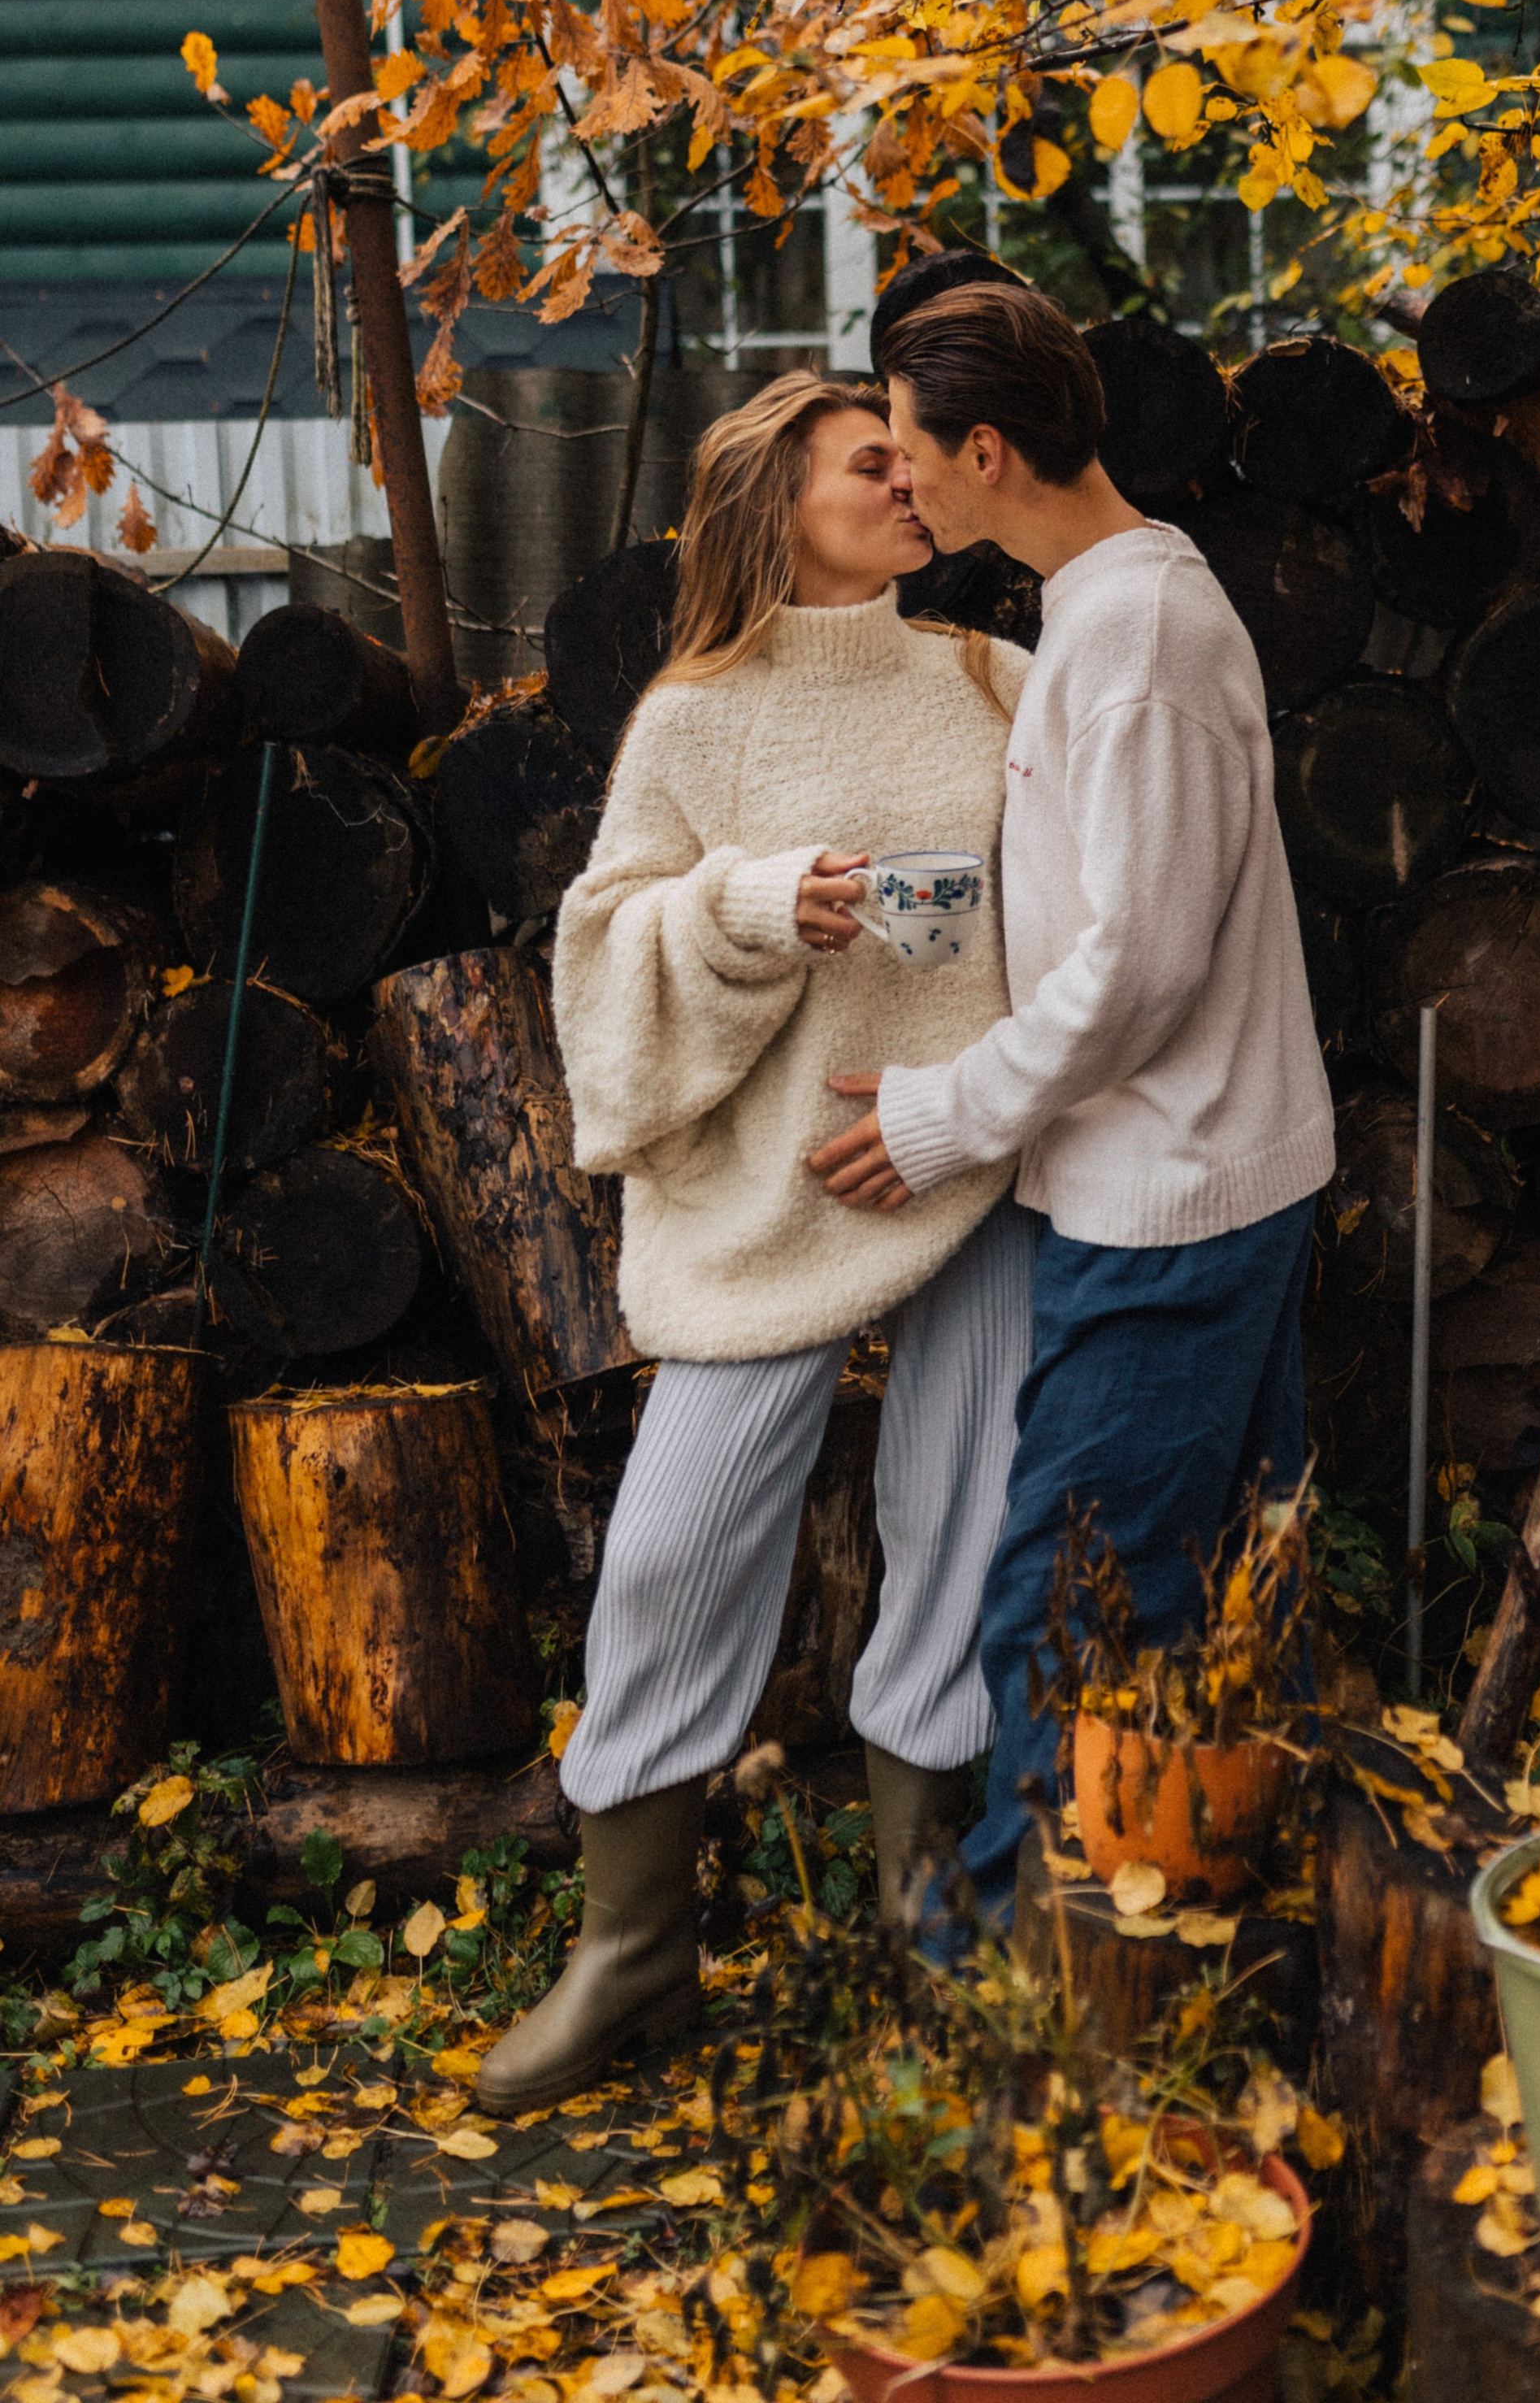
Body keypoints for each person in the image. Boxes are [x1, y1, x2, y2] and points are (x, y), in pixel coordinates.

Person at [479, 370, 1036, 2112]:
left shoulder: (999, 683)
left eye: (909, 457)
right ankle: (633, 1955)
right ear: (775, 510)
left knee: (958, 1528)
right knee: (670, 1551)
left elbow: (1083, 924)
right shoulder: (696, 715)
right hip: (777, 1191)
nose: (908, 479)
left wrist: (975, 1104)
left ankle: (925, 1908)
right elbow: (605, 941)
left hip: (972, 1163)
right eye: (868, 464)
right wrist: (739, 903)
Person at [807, 280, 1334, 1924]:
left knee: (1065, 1607)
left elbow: (1138, 968)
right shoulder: (1094, 622)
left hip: (1173, 1205)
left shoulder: (1141, 646)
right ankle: (1182, 1929)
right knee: (1193, 1609)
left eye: (905, 450)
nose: (898, 482)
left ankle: (1010, 1972)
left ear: (986, 449)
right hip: (1170, 1183)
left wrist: (936, 1117)